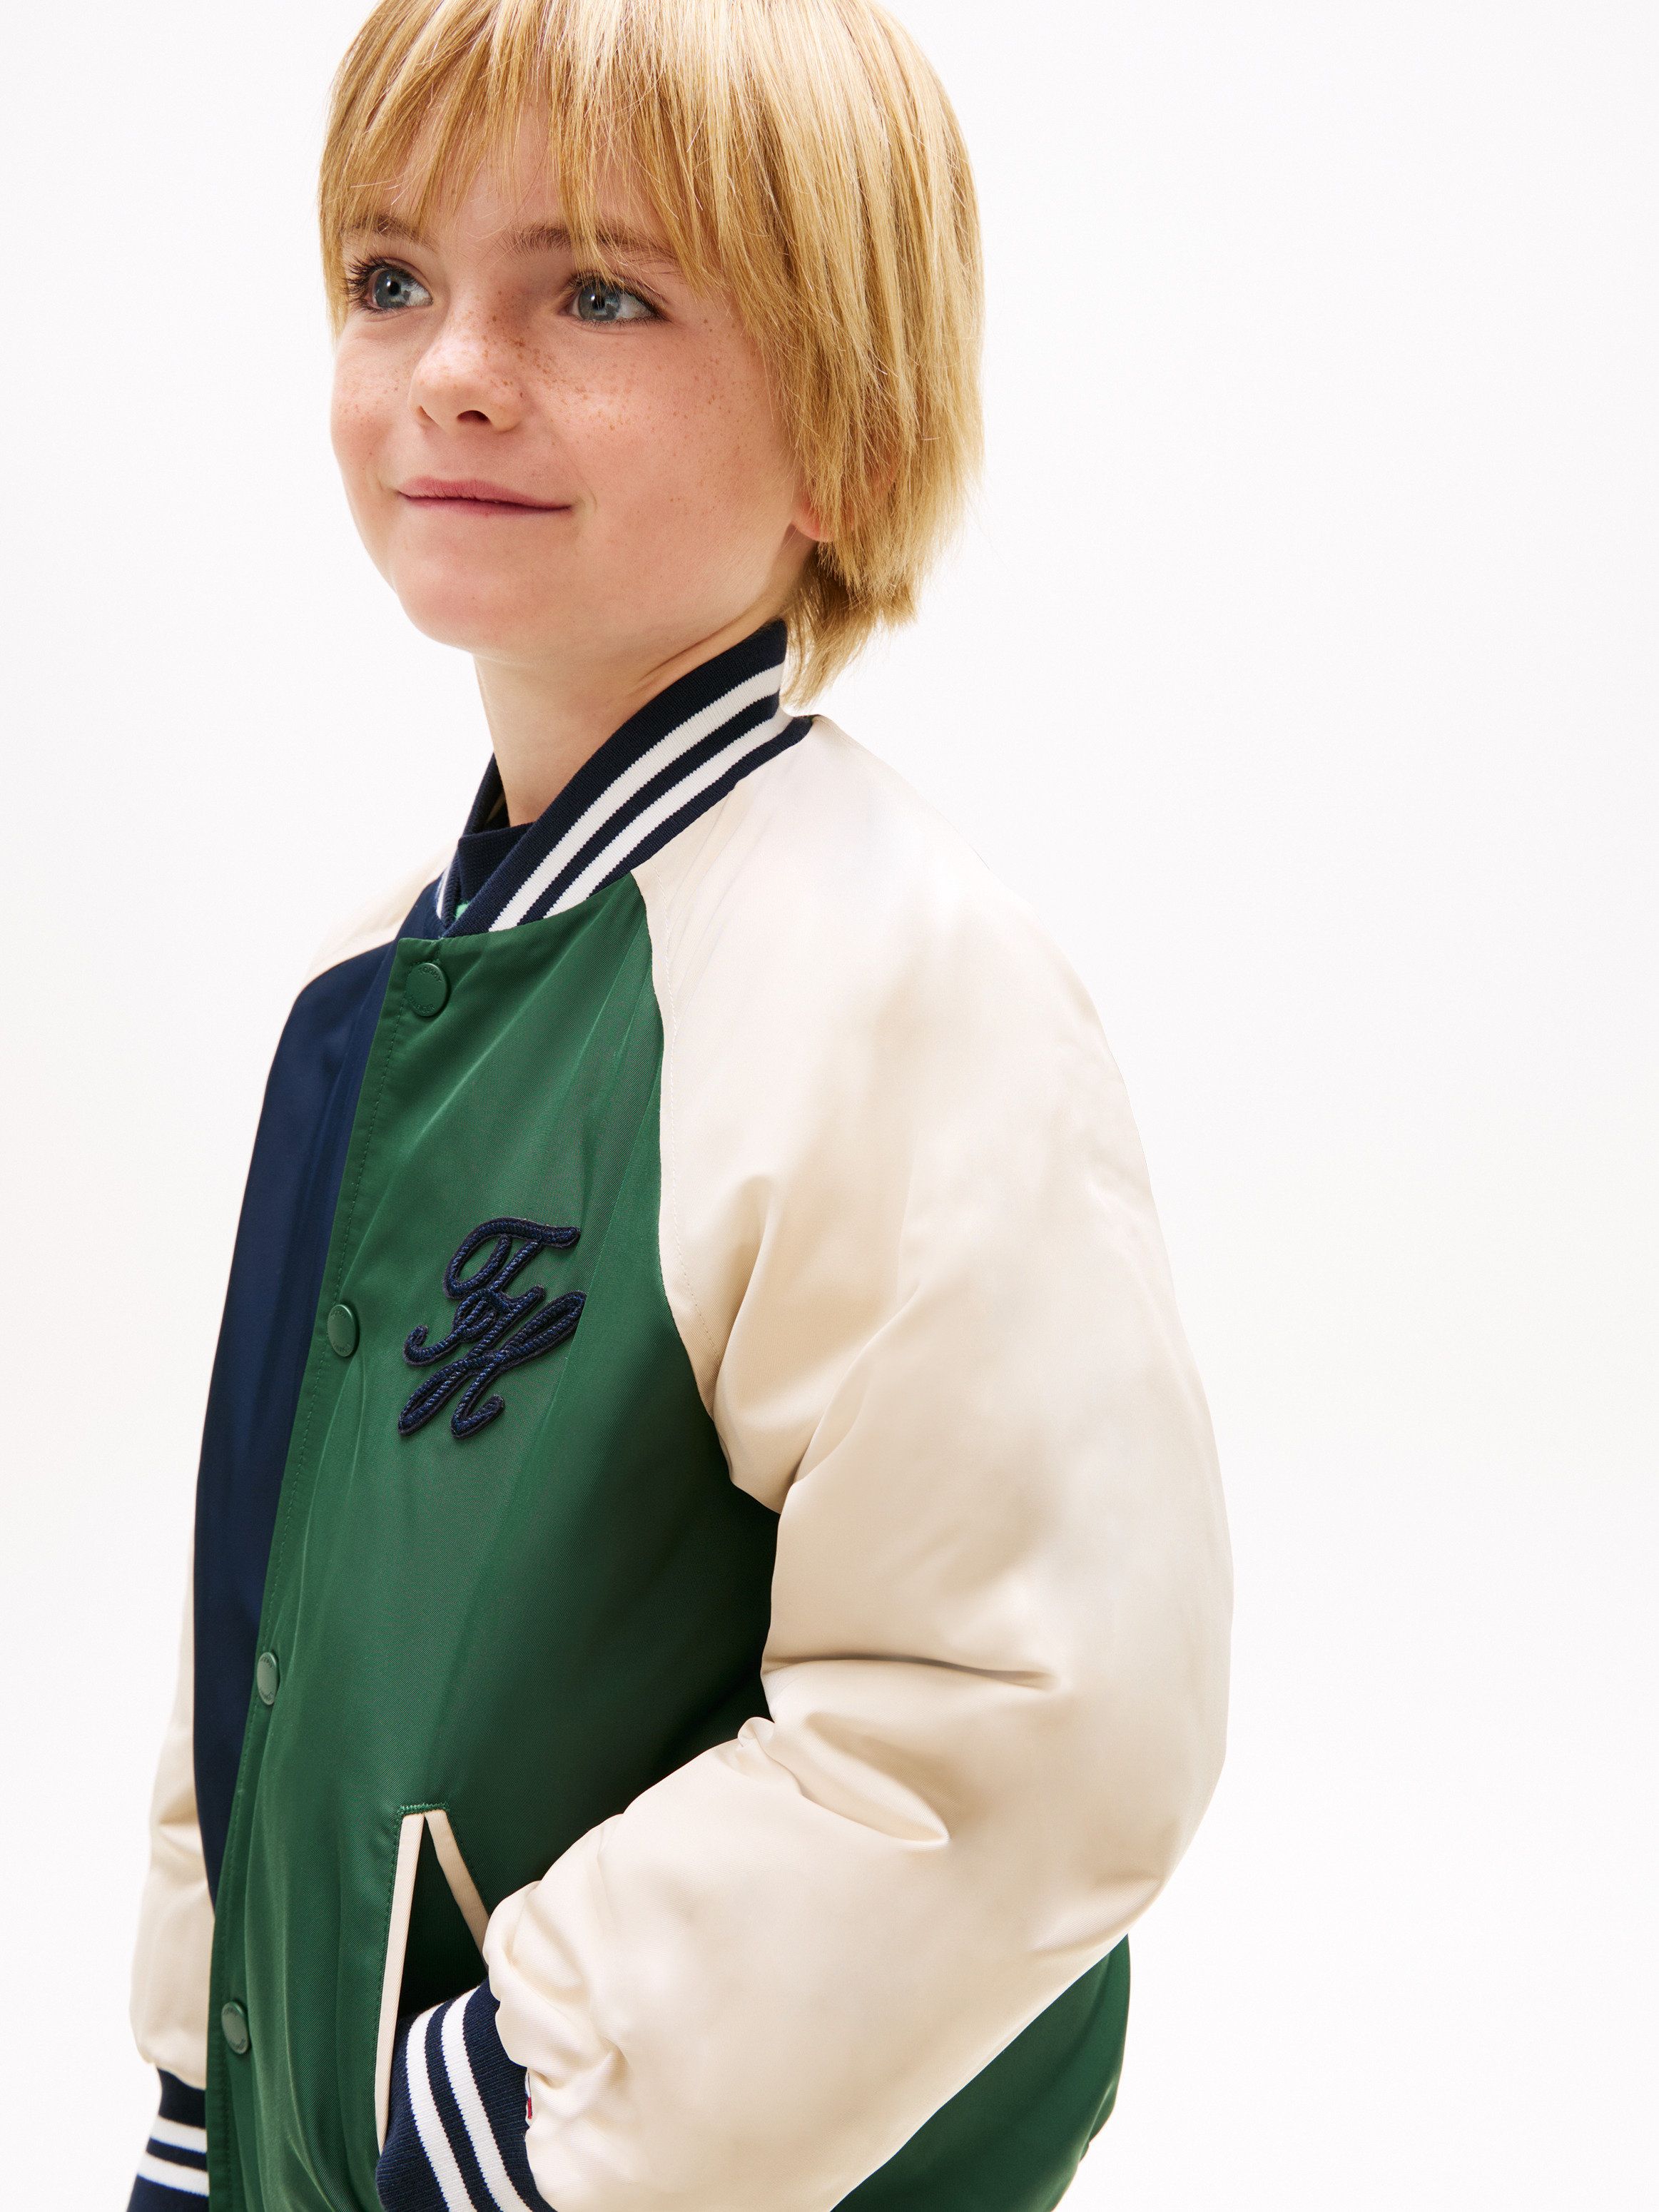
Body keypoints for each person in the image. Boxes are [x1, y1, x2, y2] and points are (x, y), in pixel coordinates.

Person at [125, 2, 1233, 2207]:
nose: (456, 368)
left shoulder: (890, 981)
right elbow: (264, 1637)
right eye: (391, 277)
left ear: (846, 430)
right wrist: (202, 2096)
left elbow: (1025, 1719)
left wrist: (507, 2117)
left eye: (599, 295)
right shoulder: (365, 990)